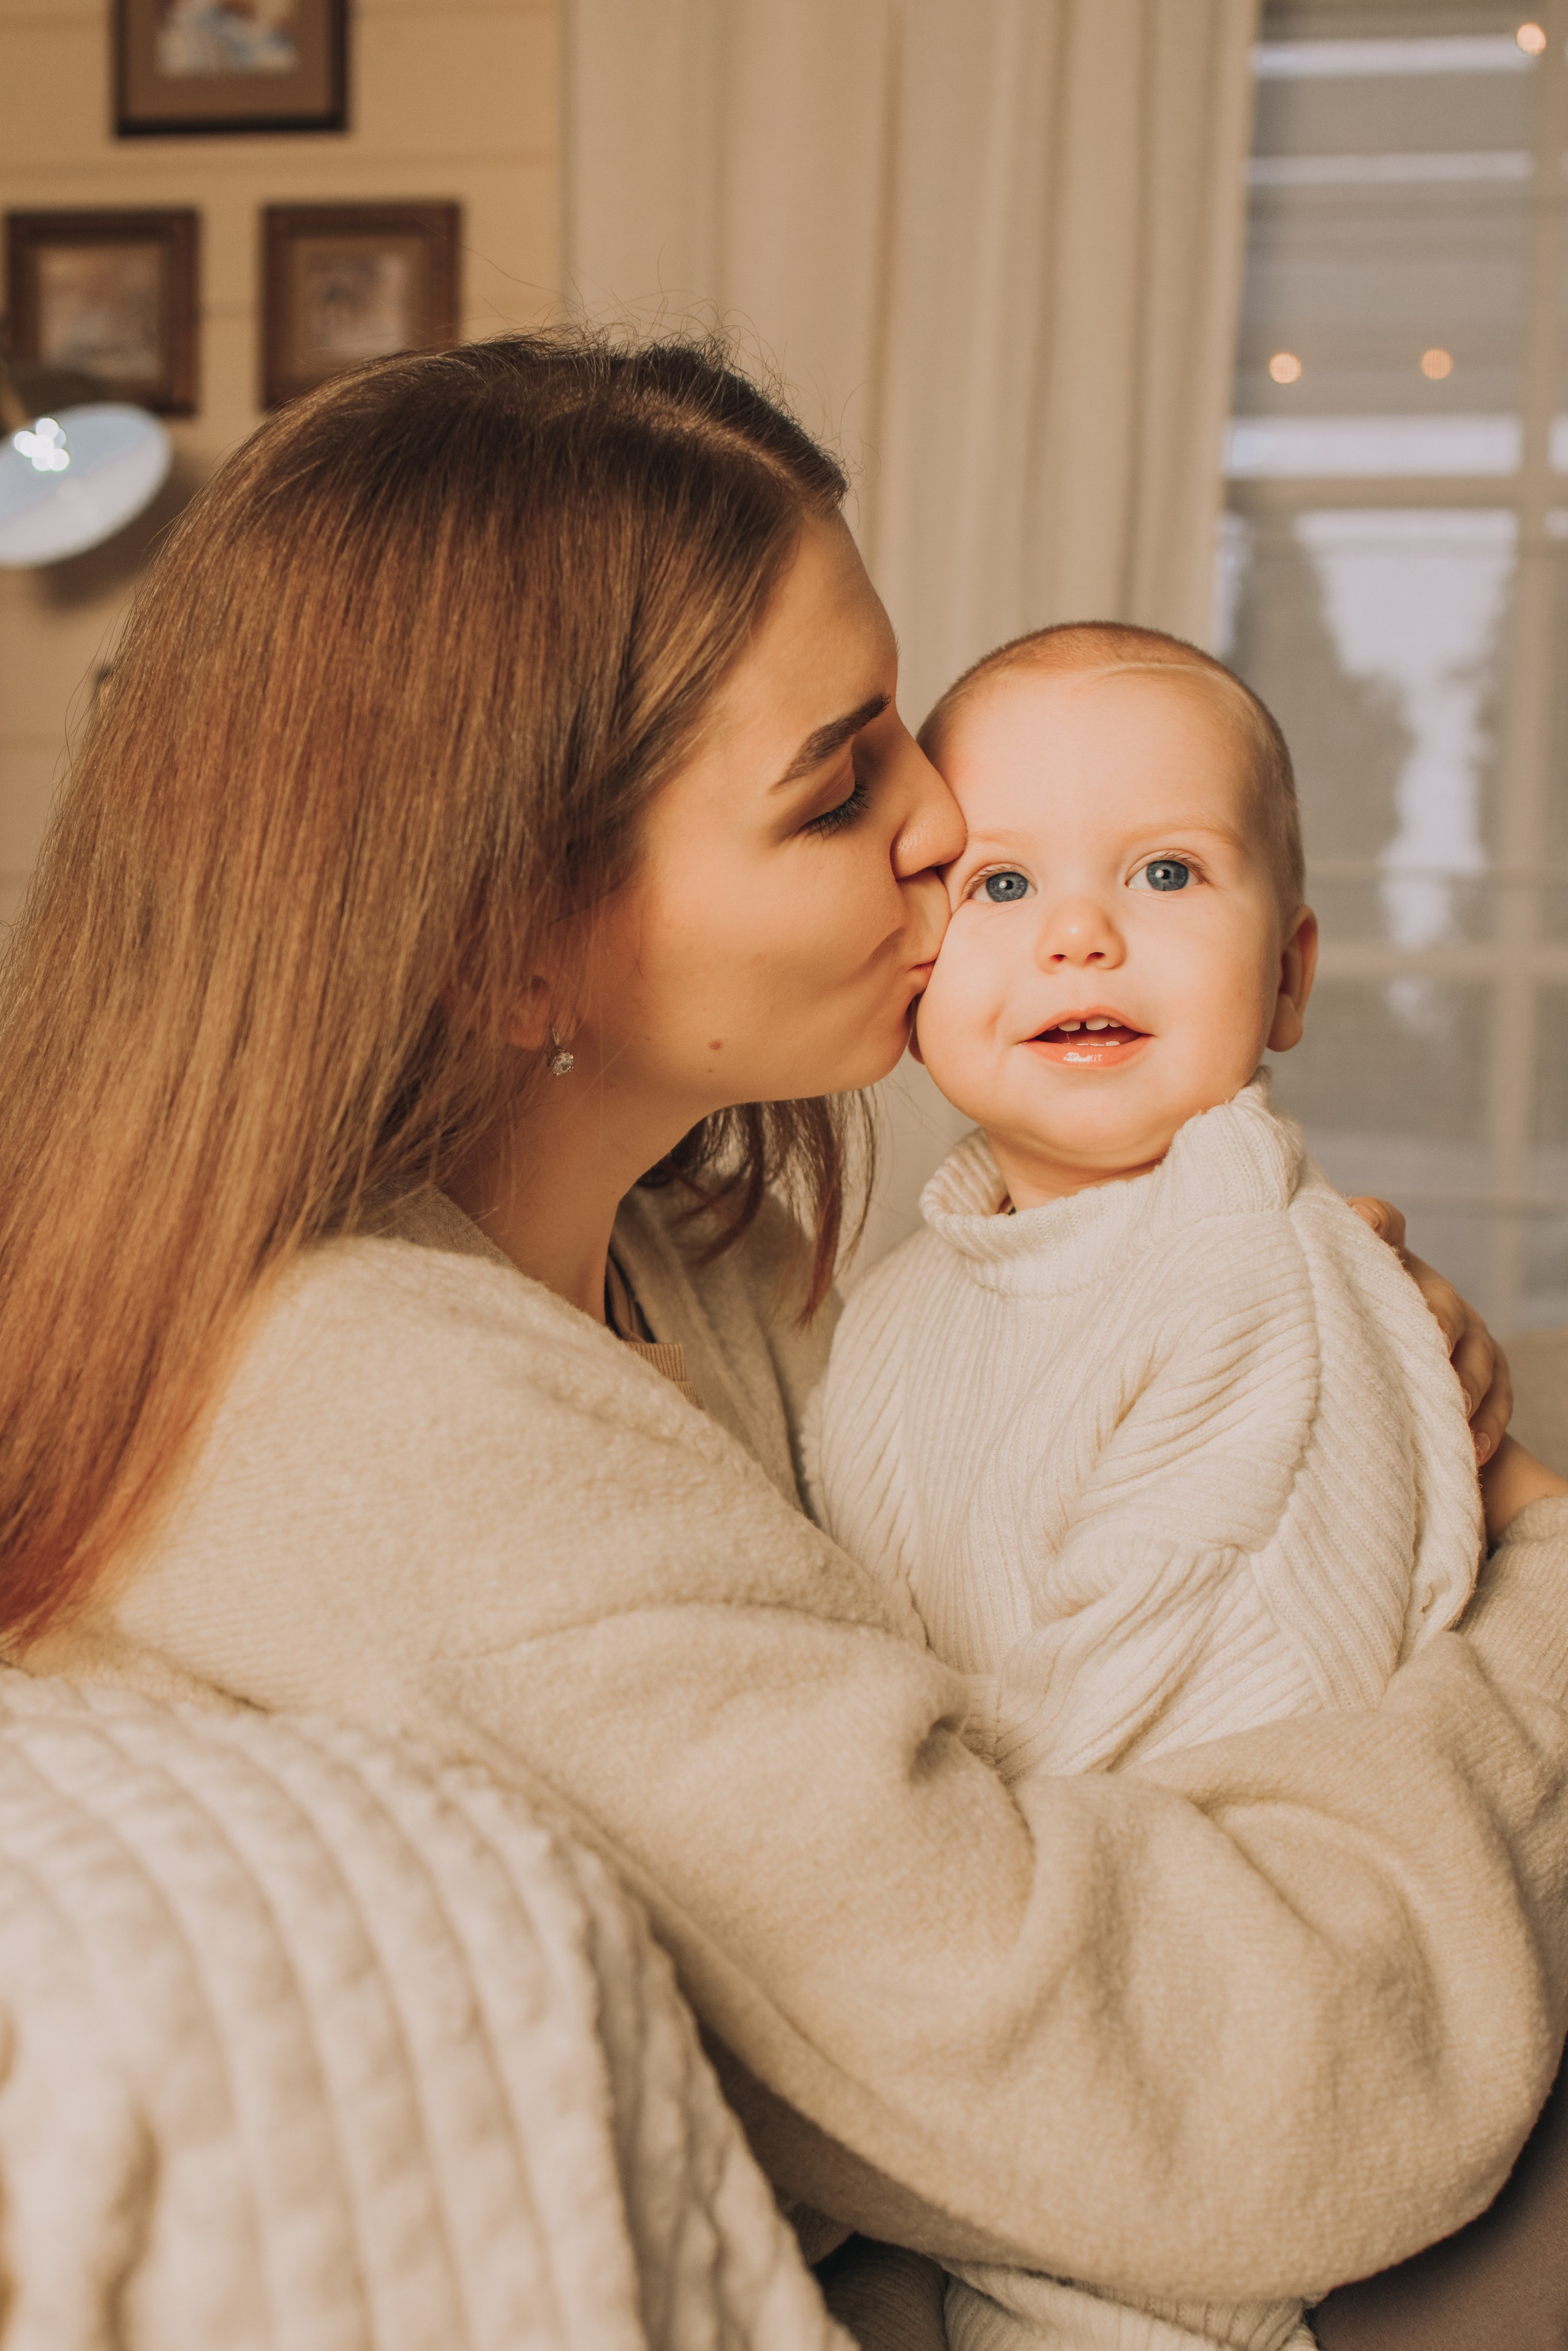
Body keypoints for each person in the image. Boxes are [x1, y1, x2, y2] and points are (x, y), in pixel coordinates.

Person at [1, 332, 1565, 2345]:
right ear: (508, 947)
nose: (945, 821)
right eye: (840, 787)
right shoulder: (383, 1428)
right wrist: (1534, 1596)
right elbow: (1235, 2107)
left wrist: (1317, 1361)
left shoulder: (685, 1261)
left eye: (899, 724)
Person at [811, 621, 1496, 2351]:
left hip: (1205, 2056)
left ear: (1291, 976)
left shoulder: (1261, 1283)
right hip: (968, 2027)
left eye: (1168, 872)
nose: (1081, 934)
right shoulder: (901, 1302)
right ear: (911, 963)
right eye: (1003, 882)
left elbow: (1227, 1771)